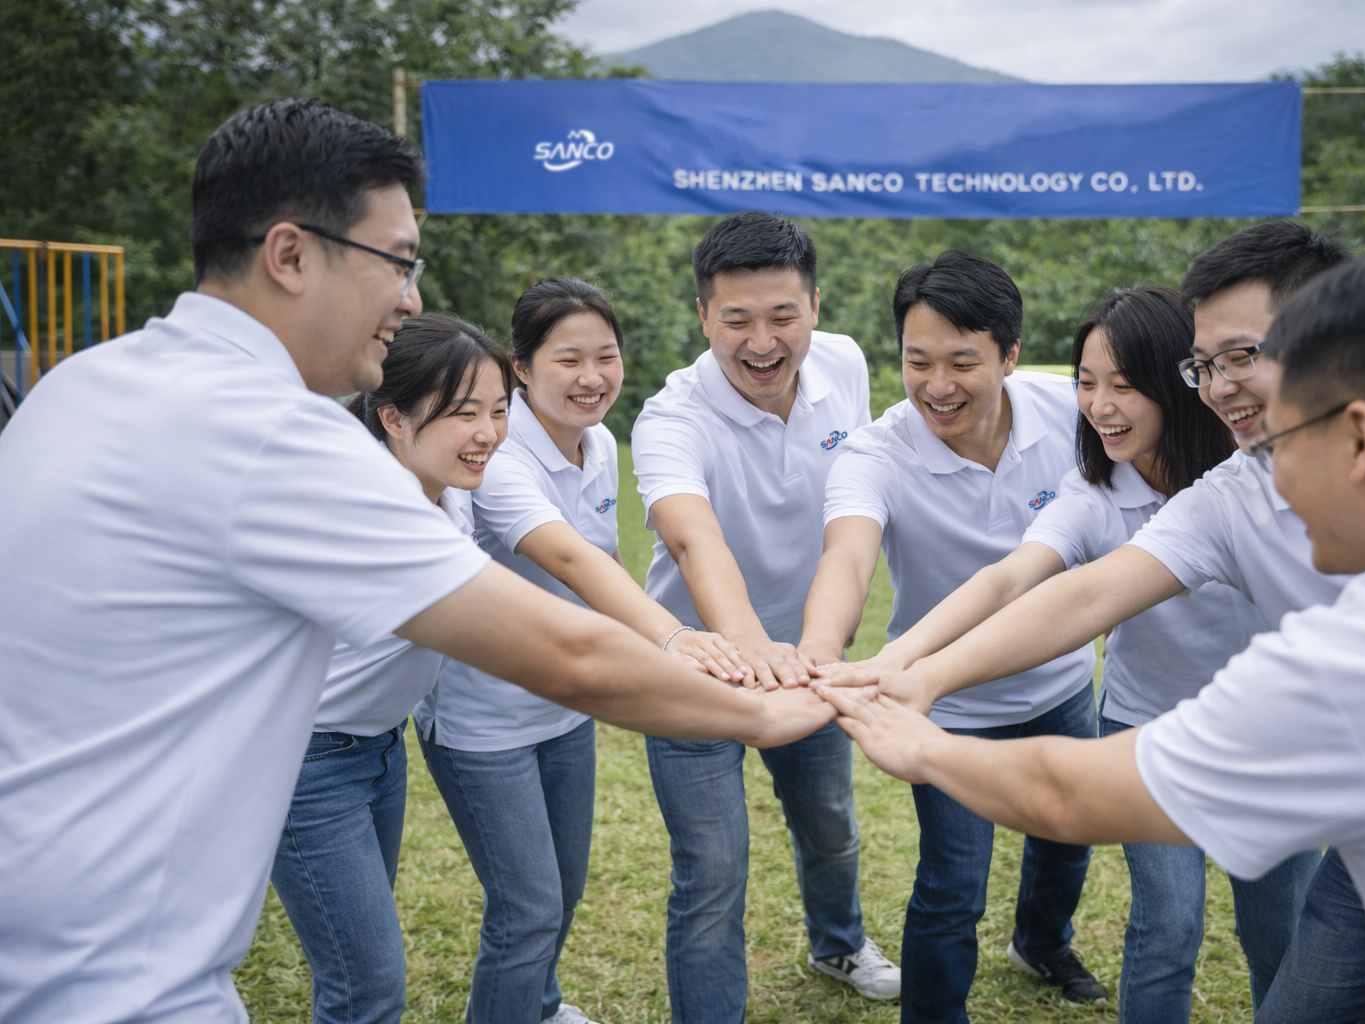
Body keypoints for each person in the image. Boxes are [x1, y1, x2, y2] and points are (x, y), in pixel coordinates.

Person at [0, 99, 840, 1024]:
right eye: (398, 262)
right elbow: (569, 654)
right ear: (290, 255)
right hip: (107, 981)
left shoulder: (82, 381)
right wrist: (770, 711)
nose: (410, 298)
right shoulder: (273, 437)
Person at [818, 252, 1365, 1024]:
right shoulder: (1233, 494)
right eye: (1205, 365)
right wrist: (914, 673)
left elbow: (1070, 794)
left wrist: (922, 742)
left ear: (1359, 434)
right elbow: (1078, 590)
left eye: (1248, 364)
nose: (1277, 484)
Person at [830, 221, 1350, 1010]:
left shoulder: (1309, 469)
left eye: (1125, 384)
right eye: (1086, 381)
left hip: (1280, 740)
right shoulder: (1155, 495)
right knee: (1166, 927)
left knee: (1282, 936)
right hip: (1147, 728)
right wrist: (907, 670)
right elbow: (1042, 587)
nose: (1101, 406)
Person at [415, 277, 745, 1024]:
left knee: (561, 890)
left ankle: (537, 1002)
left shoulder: (598, 442)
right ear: (522, 368)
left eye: (606, 356)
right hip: (483, 722)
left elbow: (603, 559)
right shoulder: (498, 456)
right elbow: (570, 559)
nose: (592, 377)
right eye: (569, 359)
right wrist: (672, 636)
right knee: (526, 908)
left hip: (566, 708)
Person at [797, 249, 1108, 1014]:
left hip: (1060, 683)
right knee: (951, 888)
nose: (938, 386)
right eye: (917, 361)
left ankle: (1041, 943)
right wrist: (819, 653)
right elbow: (847, 554)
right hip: (948, 704)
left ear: (1008, 354)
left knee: (1067, 844)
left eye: (963, 362)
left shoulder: (1073, 412)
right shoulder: (876, 452)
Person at [630, 211, 899, 1023]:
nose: (762, 341)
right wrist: (751, 652)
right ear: (704, 316)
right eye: (737, 319)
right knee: (712, 870)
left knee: (831, 828)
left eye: (783, 316)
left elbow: (854, 510)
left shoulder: (845, 364)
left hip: (809, 657)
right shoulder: (669, 417)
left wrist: (804, 654)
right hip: (700, 675)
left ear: (815, 306)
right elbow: (692, 538)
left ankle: (838, 942)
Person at [269, 312, 511, 1024]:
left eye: (499, 410)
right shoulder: (380, 512)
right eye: (464, 412)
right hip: (307, 764)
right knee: (365, 987)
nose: (488, 433)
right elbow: (558, 654)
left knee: (359, 977)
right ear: (393, 417)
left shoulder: (446, 487)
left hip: (377, 748)